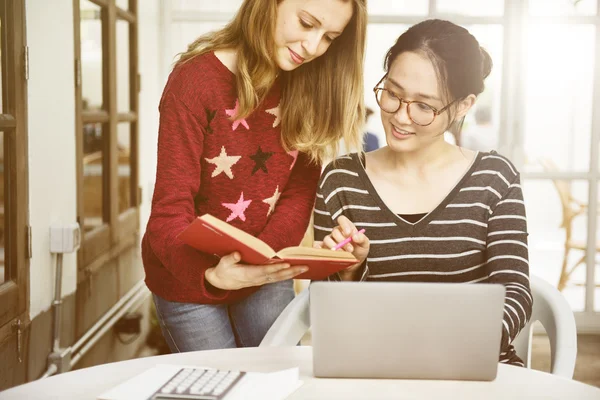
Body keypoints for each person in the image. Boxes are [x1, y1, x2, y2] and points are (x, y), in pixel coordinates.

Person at [143, 0, 367, 352]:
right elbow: (169, 213)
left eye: (330, 37)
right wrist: (212, 275)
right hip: (189, 278)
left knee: (276, 382)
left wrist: (261, 263)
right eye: (307, 23)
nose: (313, 47)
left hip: (265, 271)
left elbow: (297, 193)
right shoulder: (194, 80)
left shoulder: (308, 84)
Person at [313, 19, 532, 366]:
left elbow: (515, 292)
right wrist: (351, 271)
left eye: (424, 106)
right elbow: (329, 310)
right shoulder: (342, 180)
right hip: (374, 368)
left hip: (476, 368)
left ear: (463, 106)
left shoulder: (494, 178)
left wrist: (456, 347)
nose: (401, 117)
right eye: (393, 94)